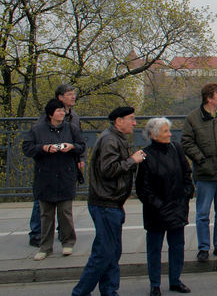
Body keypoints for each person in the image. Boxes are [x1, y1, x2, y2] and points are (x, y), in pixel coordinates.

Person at [72, 106, 145, 296]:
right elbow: (108, 170)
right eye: (131, 119)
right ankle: (80, 292)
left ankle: (109, 290)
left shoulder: (115, 138)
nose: (134, 123)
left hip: (111, 203)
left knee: (112, 252)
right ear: (118, 121)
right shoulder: (109, 140)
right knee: (104, 253)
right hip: (105, 203)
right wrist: (132, 160)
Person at [181, 82, 217, 263]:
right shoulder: (193, 119)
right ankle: (204, 248)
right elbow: (186, 142)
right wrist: (200, 159)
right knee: (203, 214)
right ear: (209, 98)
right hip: (205, 173)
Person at [136, 118, 194, 295]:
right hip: (157, 211)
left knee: (177, 246)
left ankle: (175, 280)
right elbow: (143, 188)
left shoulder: (176, 149)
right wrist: (159, 205)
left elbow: (186, 173)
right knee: (155, 249)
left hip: (177, 206)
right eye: (166, 131)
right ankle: (155, 284)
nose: (170, 134)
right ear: (154, 135)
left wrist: (186, 193)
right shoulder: (146, 155)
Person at [22, 98, 85, 260]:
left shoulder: (71, 128)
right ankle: (45, 246)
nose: (62, 113)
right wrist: (44, 148)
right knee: (46, 214)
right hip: (45, 176)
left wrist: (71, 147)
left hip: (66, 174)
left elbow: (81, 145)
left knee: (65, 212)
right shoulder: (37, 130)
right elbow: (27, 148)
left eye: (63, 111)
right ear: (50, 114)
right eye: (59, 111)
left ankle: (68, 242)